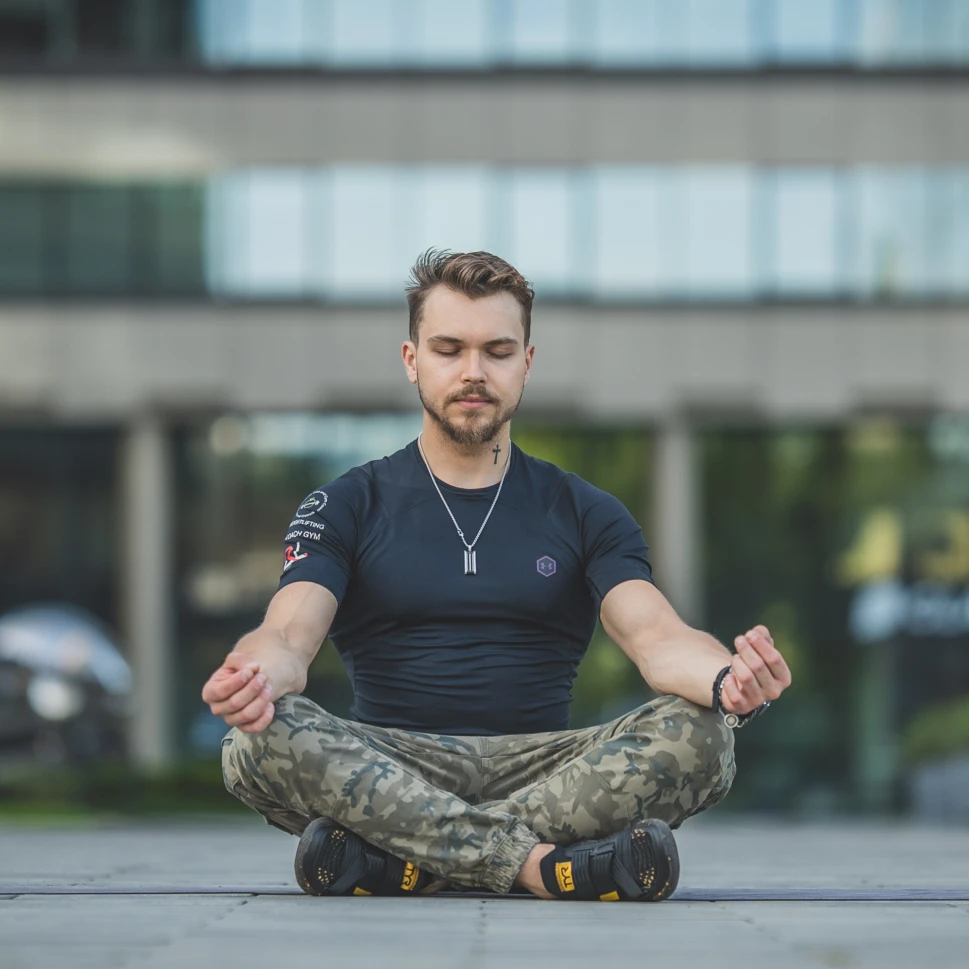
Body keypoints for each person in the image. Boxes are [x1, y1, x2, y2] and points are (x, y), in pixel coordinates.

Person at [203, 249, 791, 902]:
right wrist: (251, 676)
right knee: (254, 740)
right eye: (449, 348)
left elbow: (656, 634)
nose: (473, 371)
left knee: (704, 733)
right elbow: (287, 633)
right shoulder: (346, 503)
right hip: (390, 766)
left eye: (497, 350)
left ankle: (412, 862)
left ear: (526, 363)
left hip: (547, 768)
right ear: (411, 359)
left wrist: (726, 678)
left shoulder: (581, 508)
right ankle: (541, 867)